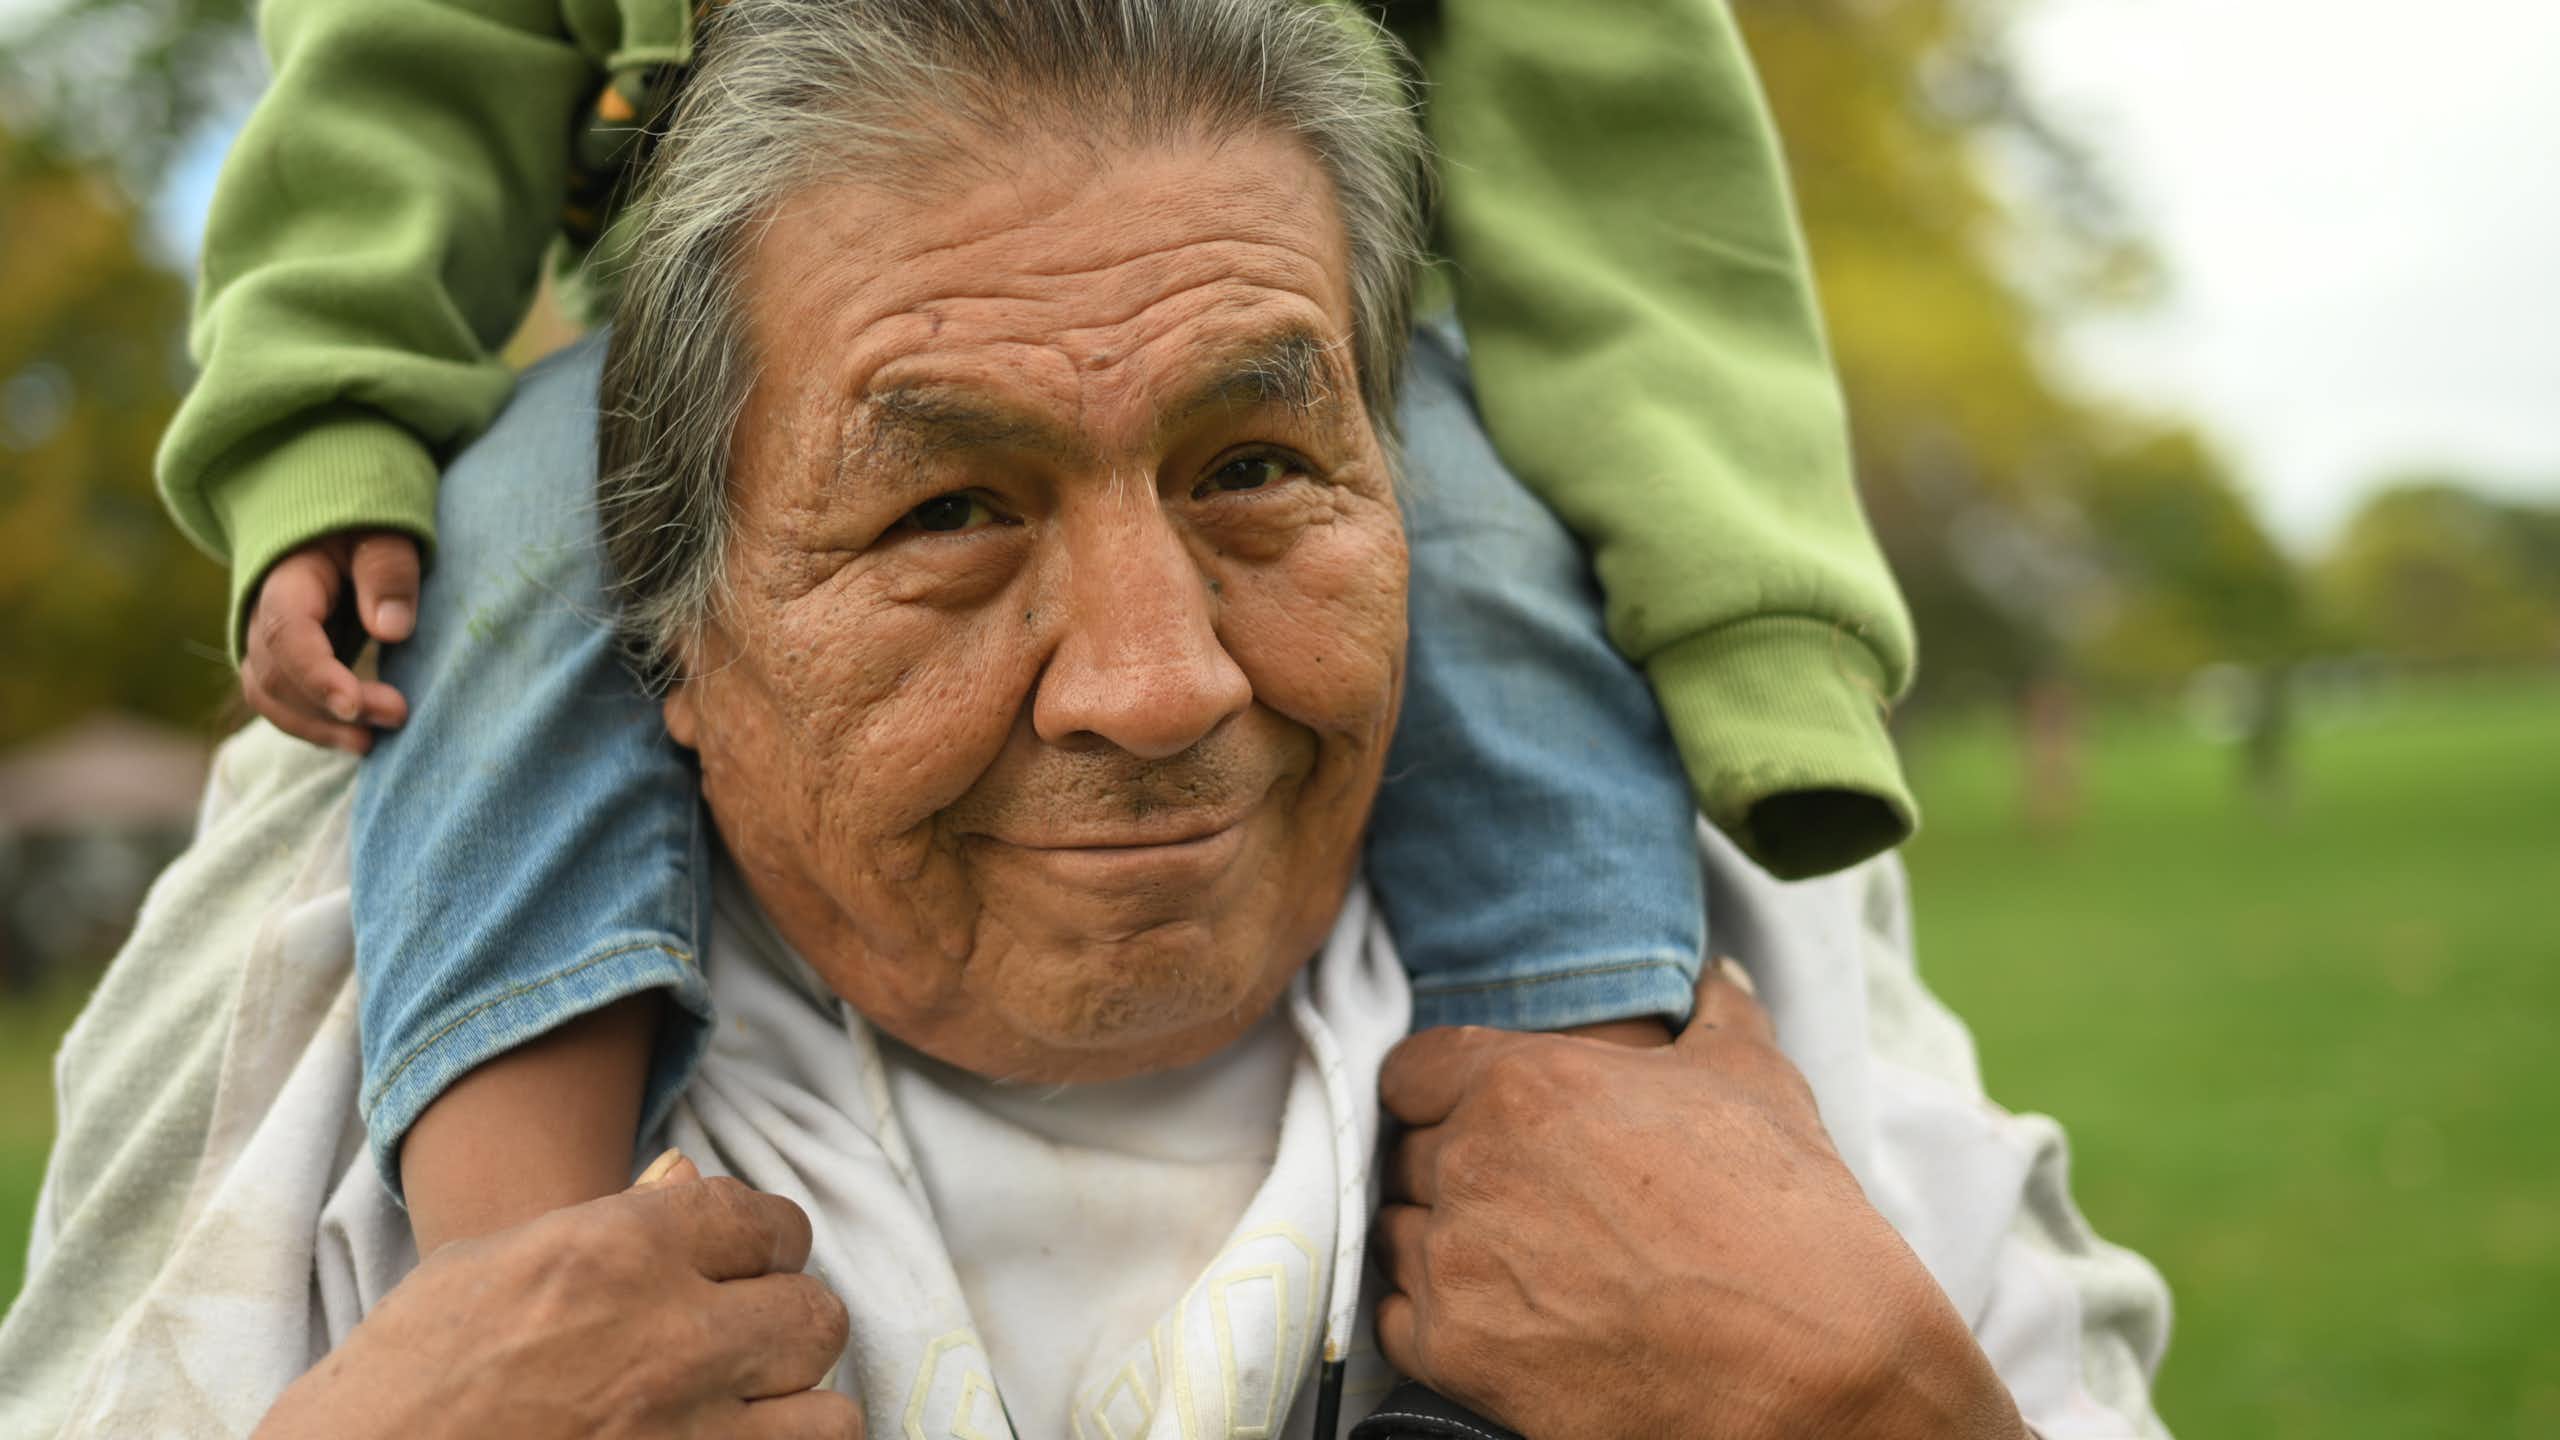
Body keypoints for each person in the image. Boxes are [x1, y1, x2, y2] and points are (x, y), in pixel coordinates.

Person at [2, 3, 2171, 1434]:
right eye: (945, 508)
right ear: (666, 611)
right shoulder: (309, 937)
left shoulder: (1752, 969)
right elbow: (401, 70)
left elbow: (1629, 160)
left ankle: (1539, 1156)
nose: (1155, 685)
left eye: (1256, 470)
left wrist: (1881, 1405)